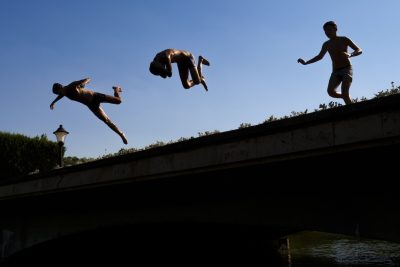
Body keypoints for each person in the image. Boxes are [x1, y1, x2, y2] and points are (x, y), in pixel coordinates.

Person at [297, 21, 362, 105]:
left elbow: (359, 50)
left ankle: (353, 112)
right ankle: (346, 96)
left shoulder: (344, 39)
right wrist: (306, 62)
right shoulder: (326, 44)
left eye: (329, 30)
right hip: (335, 71)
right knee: (331, 92)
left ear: (335, 29)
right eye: (325, 31)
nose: (327, 33)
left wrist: (350, 54)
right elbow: (319, 57)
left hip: (347, 68)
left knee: (344, 92)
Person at [50, 78, 128, 144]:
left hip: (95, 96)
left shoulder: (72, 86)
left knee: (119, 101)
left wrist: (83, 83)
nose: (60, 94)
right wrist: (53, 102)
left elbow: (88, 79)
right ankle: (121, 134)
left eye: (59, 92)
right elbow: (60, 96)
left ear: (61, 87)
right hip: (91, 105)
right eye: (59, 93)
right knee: (106, 120)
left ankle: (116, 89)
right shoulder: (64, 93)